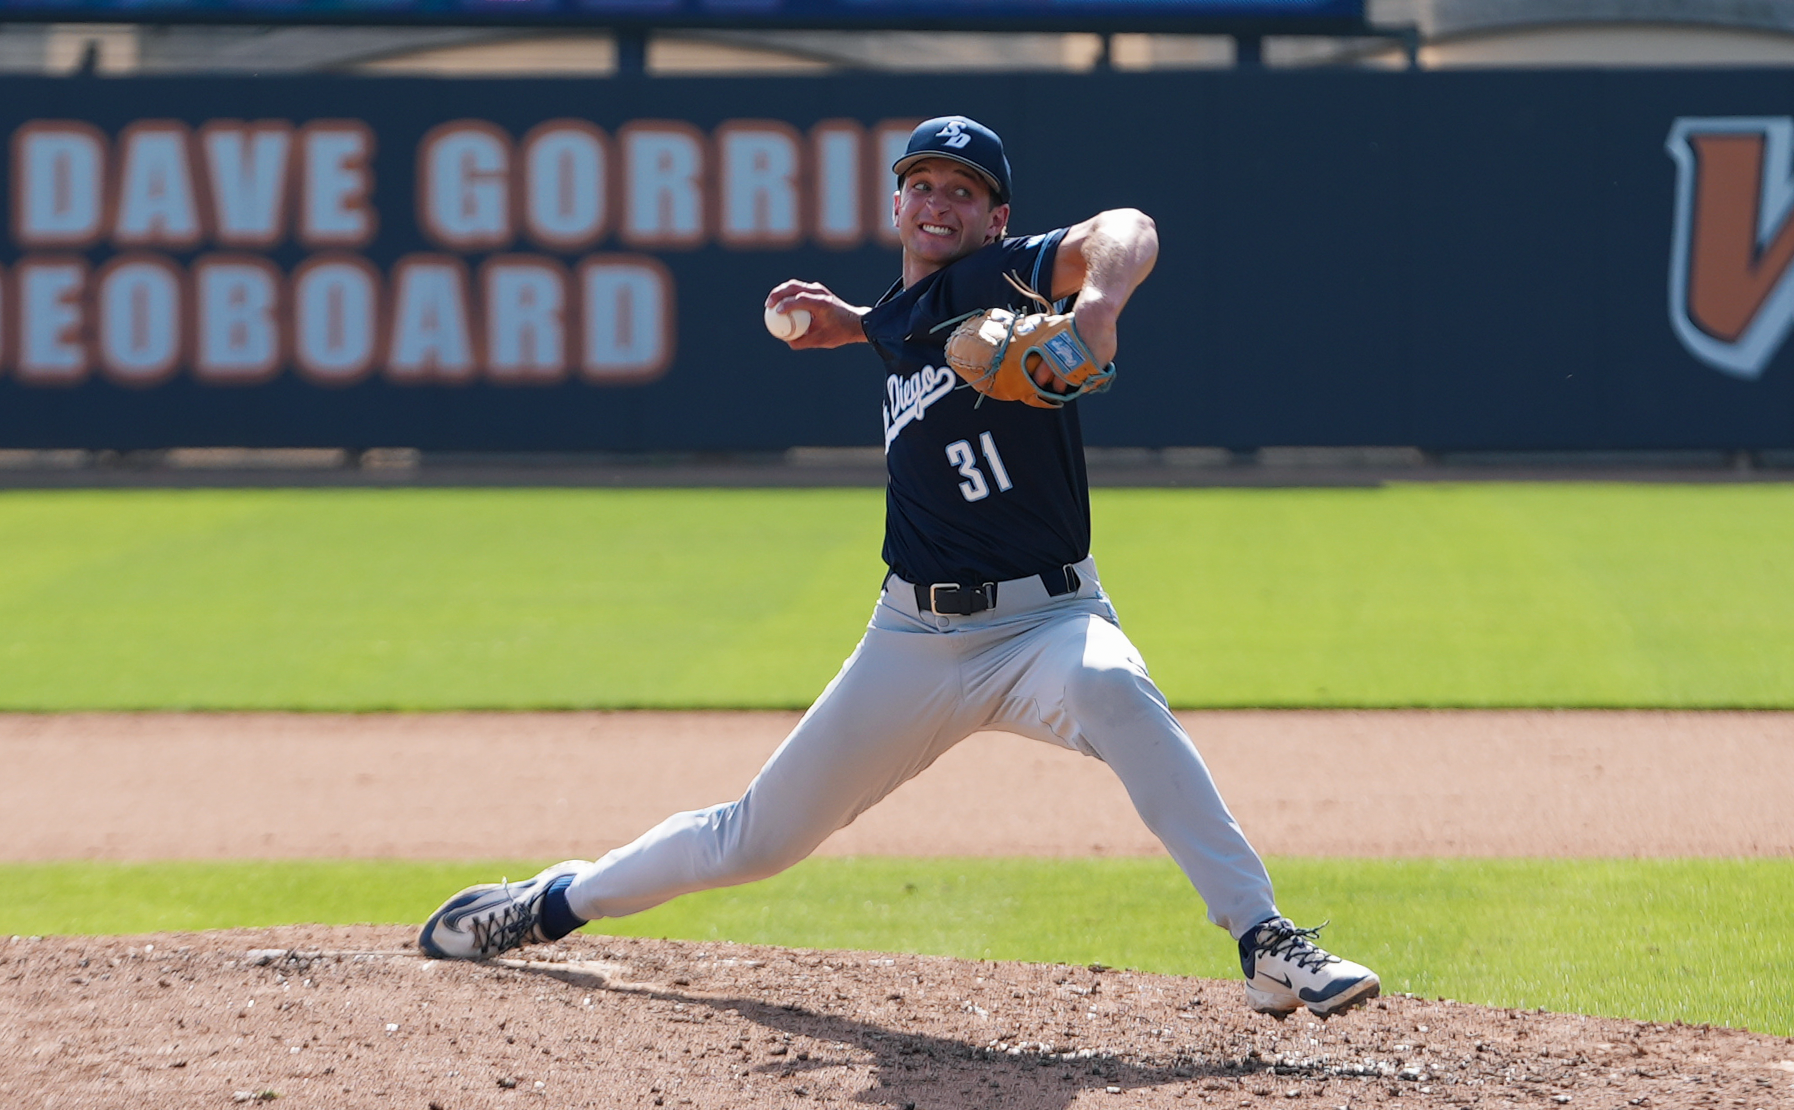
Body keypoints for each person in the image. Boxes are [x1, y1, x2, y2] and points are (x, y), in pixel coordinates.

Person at [418, 115, 1380, 1022]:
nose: (937, 201)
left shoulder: (1007, 275)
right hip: (912, 640)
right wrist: (847, 321)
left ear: (996, 218)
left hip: (1043, 623)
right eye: (920, 182)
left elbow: (1129, 227)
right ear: (896, 205)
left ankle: (1263, 939)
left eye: (962, 190)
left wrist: (1097, 303)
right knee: (755, 839)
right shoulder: (902, 314)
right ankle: (550, 904)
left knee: (1113, 687)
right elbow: (905, 325)